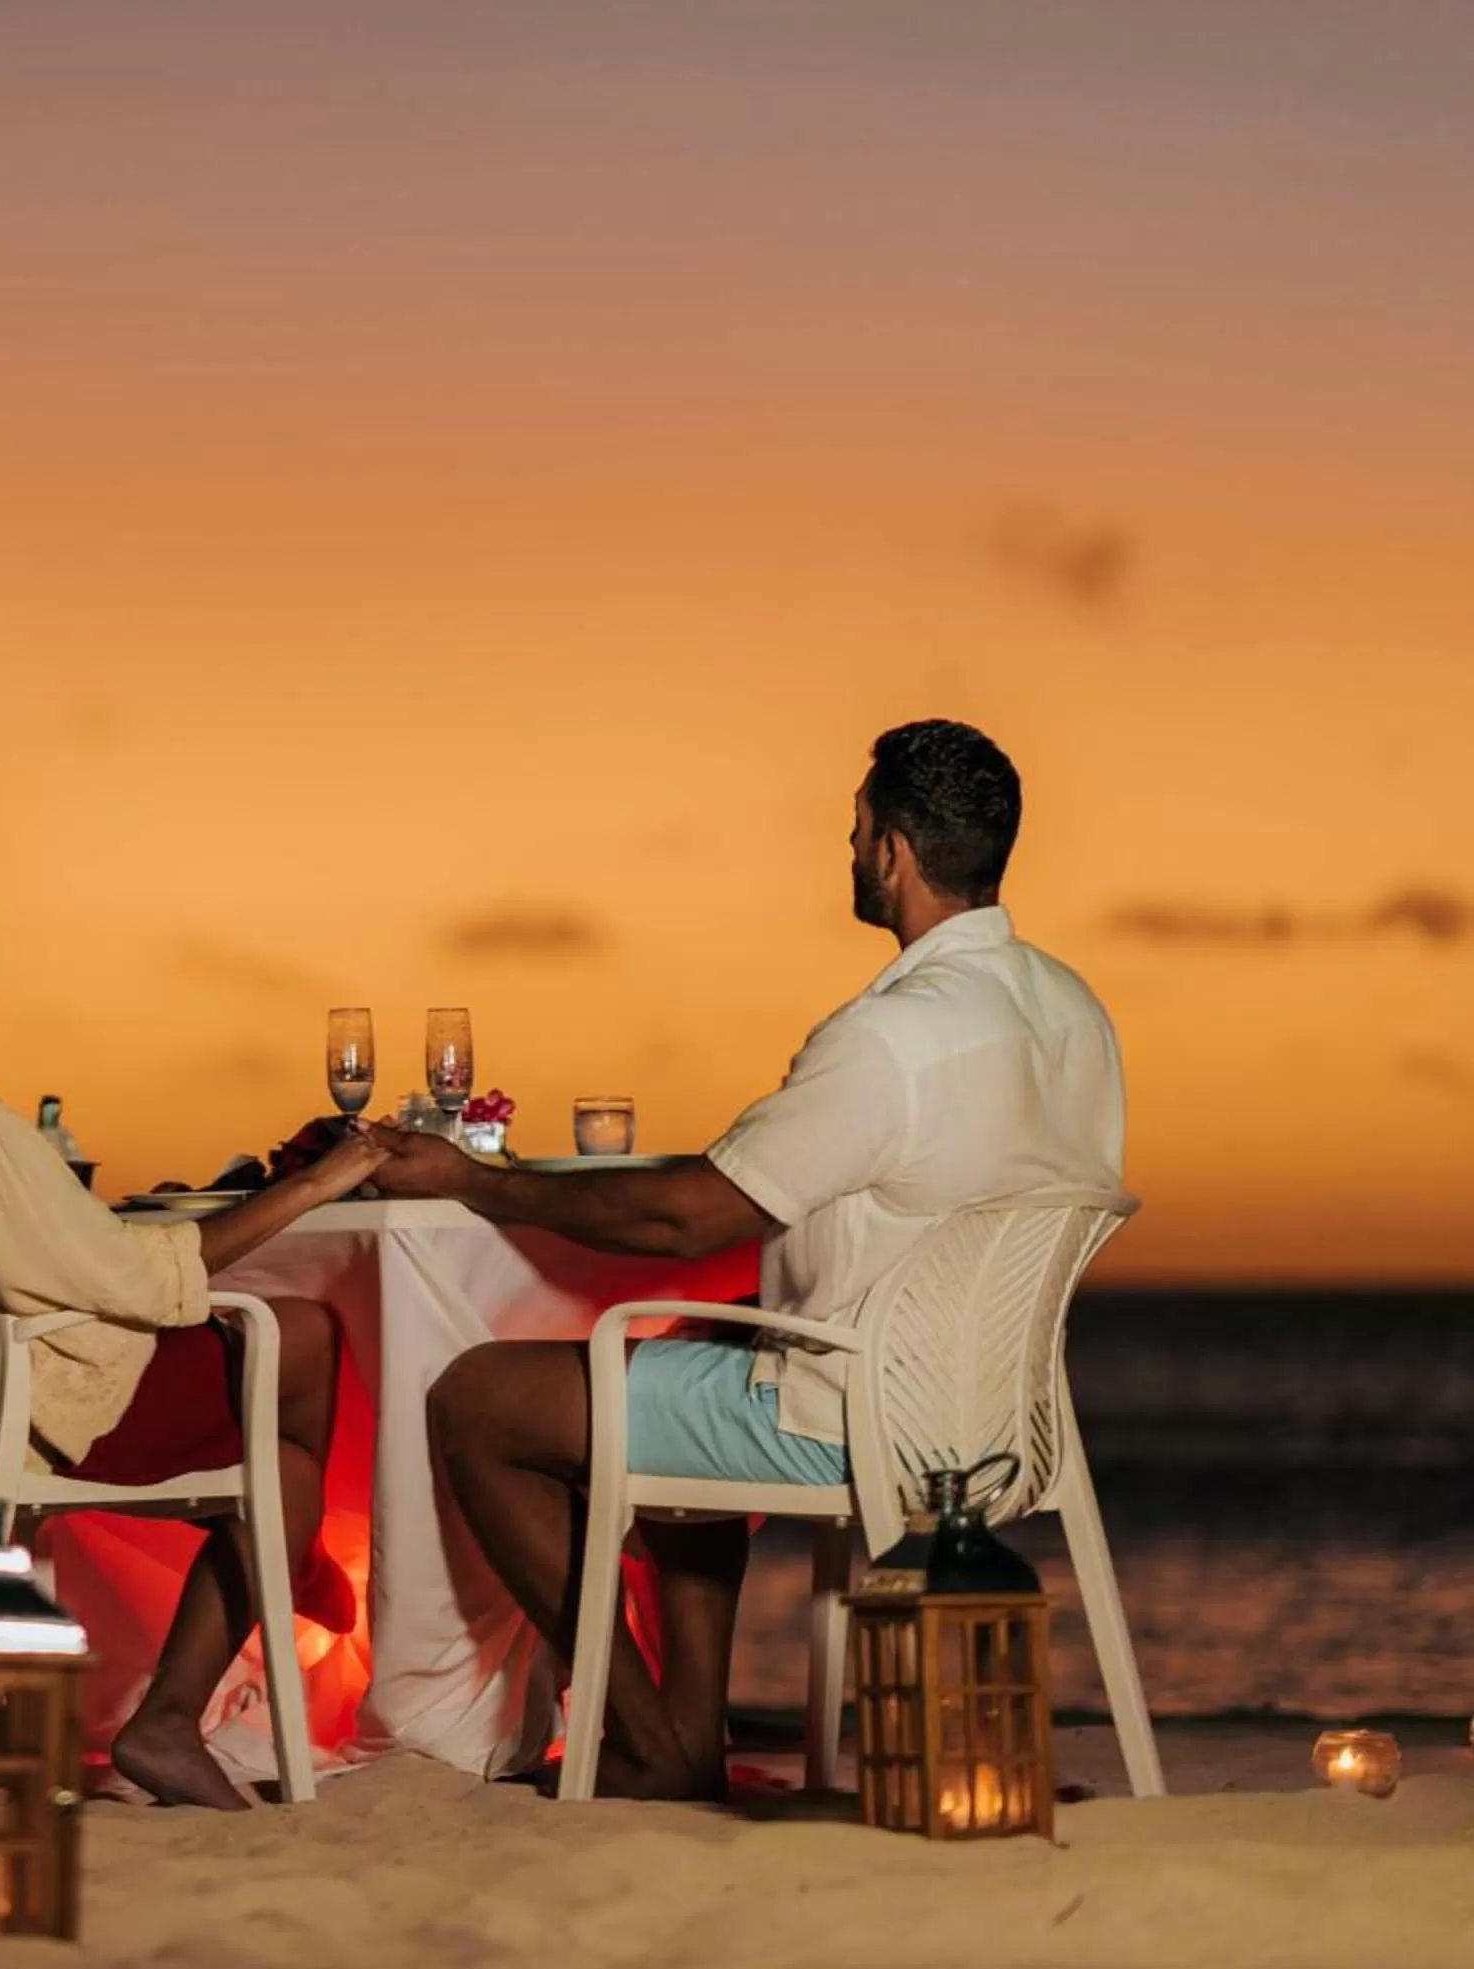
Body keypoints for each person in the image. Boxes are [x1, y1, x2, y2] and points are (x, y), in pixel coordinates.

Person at [366, 720, 1125, 1799]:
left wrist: (472, 1181)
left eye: (856, 828)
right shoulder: (1075, 1013)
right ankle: (689, 1734)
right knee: (693, 1346)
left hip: (856, 1422)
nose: (849, 846)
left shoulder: (891, 1038)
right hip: (1007, 1425)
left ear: (893, 852)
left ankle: (644, 1739)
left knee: (478, 1400)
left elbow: (684, 1220)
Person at [0, 784, 382, 1810]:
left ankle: (290, 1550)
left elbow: (9, 1240)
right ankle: (191, 1687)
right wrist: (318, 1183)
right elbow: (133, 1275)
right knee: (302, 1355)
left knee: (284, 1364)